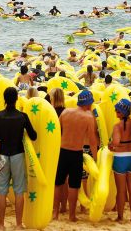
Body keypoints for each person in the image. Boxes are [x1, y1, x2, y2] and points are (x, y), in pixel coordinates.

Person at [0, 87, 37, 230]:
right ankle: (18, 224)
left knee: (1, 191)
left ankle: (1, 224)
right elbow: (34, 135)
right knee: (19, 190)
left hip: (2, 155)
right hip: (18, 154)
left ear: (4, 99)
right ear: (17, 98)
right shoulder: (22, 117)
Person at [53, 90, 98, 222]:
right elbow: (92, 140)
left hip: (62, 151)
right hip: (76, 154)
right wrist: (95, 158)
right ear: (88, 103)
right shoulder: (89, 117)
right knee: (74, 186)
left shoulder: (65, 112)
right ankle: (71, 215)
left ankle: (55, 212)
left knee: (58, 183)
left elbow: (57, 131)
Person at [109, 99, 131, 222]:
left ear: (121, 112)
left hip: (120, 158)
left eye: (117, 110)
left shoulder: (117, 126)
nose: (115, 112)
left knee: (121, 190)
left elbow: (116, 143)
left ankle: (120, 216)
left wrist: (110, 145)